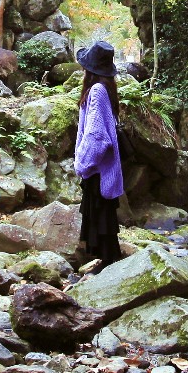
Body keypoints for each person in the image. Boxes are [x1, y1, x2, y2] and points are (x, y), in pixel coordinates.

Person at [72, 38, 125, 270]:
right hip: (101, 169)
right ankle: (108, 263)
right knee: (103, 221)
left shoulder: (96, 90)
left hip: (97, 170)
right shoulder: (105, 89)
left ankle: (109, 265)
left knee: (102, 221)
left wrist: (82, 163)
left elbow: (97, 135)